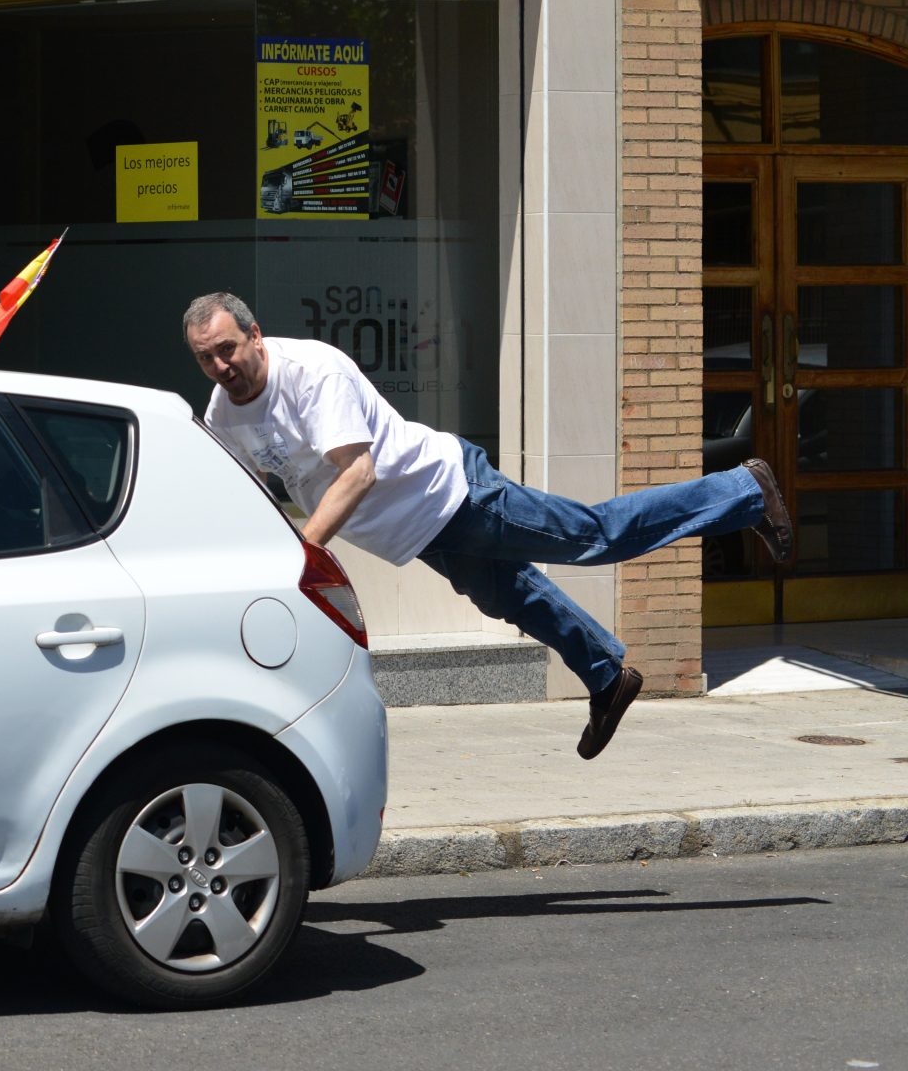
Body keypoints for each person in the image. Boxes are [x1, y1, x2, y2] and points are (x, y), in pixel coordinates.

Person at [181, 291, 793, 758]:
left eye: (227, 349)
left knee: (592, 534)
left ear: (255, 336)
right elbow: (247, 495)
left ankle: (744, 490)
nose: (220, 365)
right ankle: (606, 676)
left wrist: (302, 551)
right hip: (421, 529)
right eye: (205, 357)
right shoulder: (222, 414)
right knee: (513, 596)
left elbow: (358, 471)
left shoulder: (312, 373)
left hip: (455, 493)